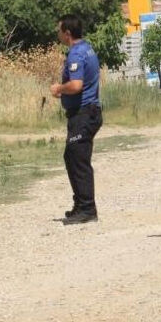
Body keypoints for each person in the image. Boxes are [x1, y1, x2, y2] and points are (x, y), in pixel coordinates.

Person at [50, 14, 103, 225]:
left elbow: (76, 85)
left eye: (59, 29)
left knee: (78, 160)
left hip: (84, 113)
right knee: (71, 157)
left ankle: (88, 209)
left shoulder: (76, 54)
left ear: (67, 33)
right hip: (85, 113)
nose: (57, 33)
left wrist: (58, 89)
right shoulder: (87, 48)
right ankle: (80, 204)